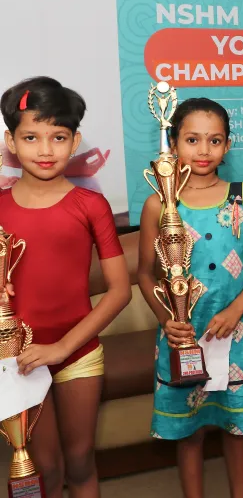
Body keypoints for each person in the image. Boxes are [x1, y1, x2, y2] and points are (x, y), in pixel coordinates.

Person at [138, 98, 243, 498]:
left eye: (215, 140)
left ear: (228, 145)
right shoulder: (159, 204)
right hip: (182, 336)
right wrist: (166, 319)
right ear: (173, 143)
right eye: (192, 140)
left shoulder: (241, 195)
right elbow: (145, 274)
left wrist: (236, 310)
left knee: (236, 429)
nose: (204, 150)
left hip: (234, 333)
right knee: (190, 432)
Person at [0, 77, 131, 498]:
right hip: (20, 360)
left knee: (80, 462)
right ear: (11, 142)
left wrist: (61, 348)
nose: (45, 149)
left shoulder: (90, 205)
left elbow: (119, 291)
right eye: (31, 137)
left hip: (78, 352)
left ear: (74, 142)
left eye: (58, 137)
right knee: (47, 469)